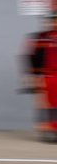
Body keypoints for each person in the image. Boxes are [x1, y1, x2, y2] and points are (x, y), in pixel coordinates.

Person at [24, 12, 57, 141]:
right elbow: (30, 57)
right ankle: (46, 131)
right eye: (52, 20)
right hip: (45, 76)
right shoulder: (39, 38)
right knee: (44, 105)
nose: (54, 23)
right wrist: (33, 77)